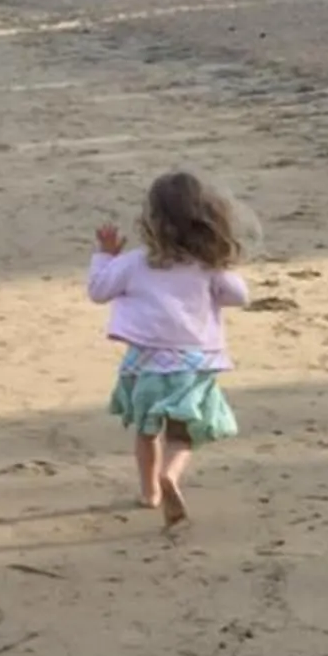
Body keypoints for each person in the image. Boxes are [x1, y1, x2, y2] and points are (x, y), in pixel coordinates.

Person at [88, 171, 250, 527]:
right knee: (182, 433)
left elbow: (98, 290)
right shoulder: (206, 265)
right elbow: (240, 296)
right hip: (193, 363)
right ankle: (171, 476)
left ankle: (150, 492)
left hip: (146, 361)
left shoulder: (134, 262)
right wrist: (222, 265)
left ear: (152, 220)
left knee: (147, 430)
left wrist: (105, 256)